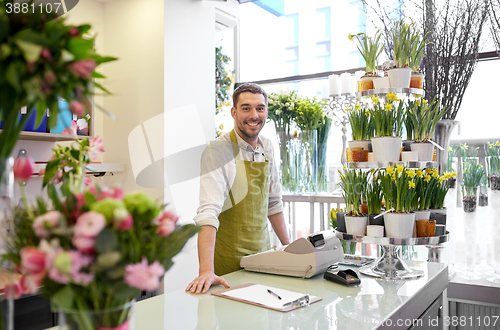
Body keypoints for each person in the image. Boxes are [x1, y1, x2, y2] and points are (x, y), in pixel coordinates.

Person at [186, 83, 290, 294]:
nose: (254, 115)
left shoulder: (267, 146)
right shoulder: (218, 150)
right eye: (246, 108)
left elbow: (273, 203)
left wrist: (290, 249)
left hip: (263, 261)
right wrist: (206, 270)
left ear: (266, 111)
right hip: (228, 268)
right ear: (233, 112)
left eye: (260, 108)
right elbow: (208, 213)